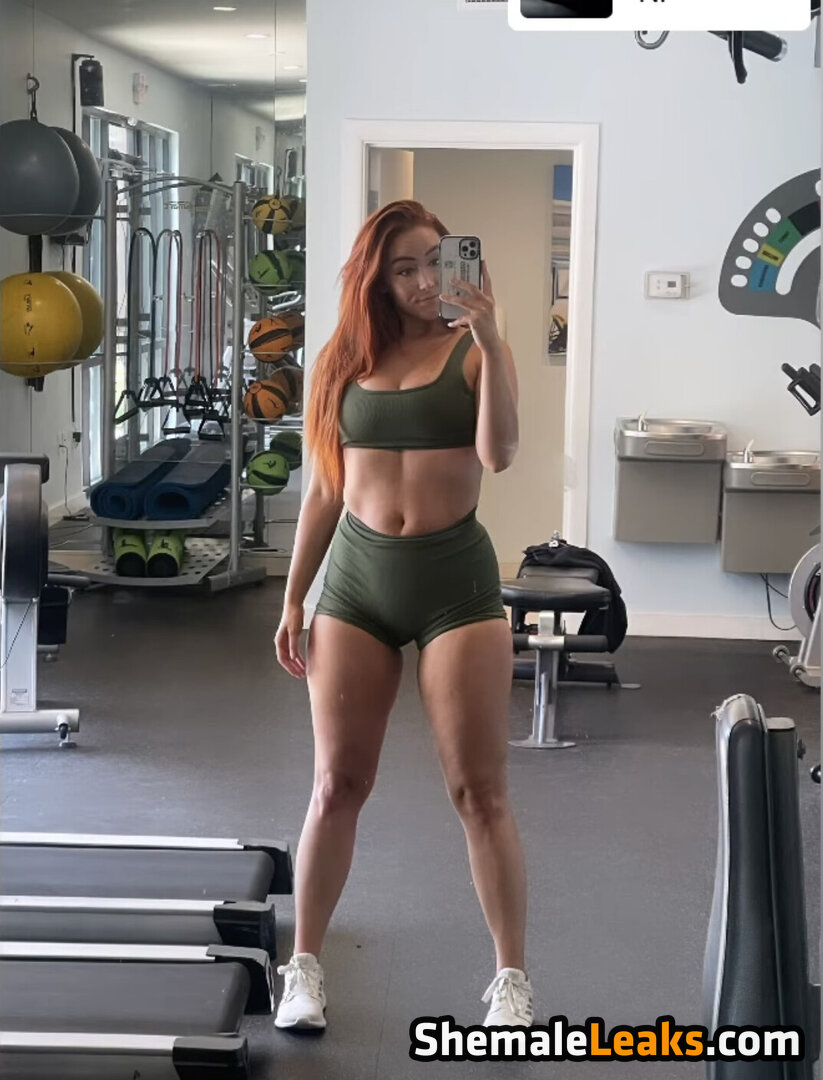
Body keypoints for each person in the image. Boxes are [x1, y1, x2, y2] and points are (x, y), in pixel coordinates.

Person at [273, 199, 532, 1032]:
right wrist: (294, 595)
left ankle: (510, 981)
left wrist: (490, 336)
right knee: (336, 785)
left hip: (455, 582)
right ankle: (303, 971)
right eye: (403, 269)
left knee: (478, 791)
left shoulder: (474, 352)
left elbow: (498, 454)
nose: (423, 282)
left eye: (433, 262)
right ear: (376, 279)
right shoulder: (340, 362)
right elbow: (325, 488)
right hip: (356, 583)